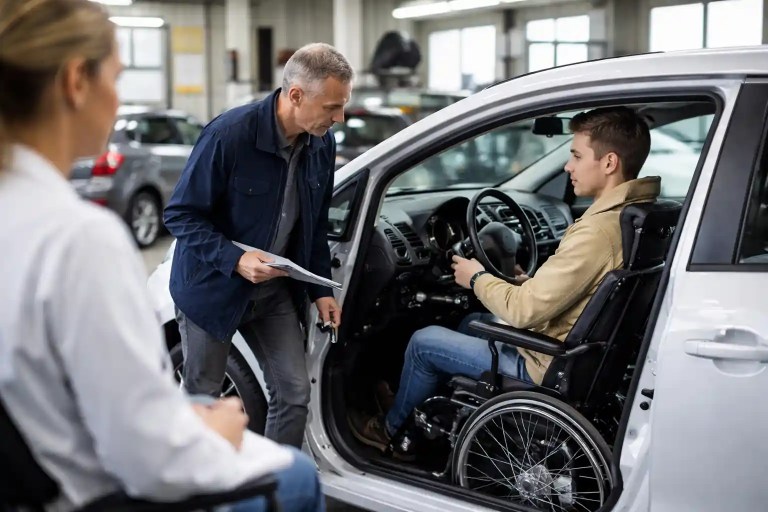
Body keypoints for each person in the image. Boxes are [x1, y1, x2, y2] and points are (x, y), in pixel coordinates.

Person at [0, 1, 322, 511]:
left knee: (278, 396)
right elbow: (149, 459)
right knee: (298, 476)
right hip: (89, 493)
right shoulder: (78, 241)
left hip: (33, 473)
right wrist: (214, 434)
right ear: (76, 81)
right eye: (116, 77)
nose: (118, 97)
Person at [349, 106, 660, 456]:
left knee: (423, 342)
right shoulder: (632, 219)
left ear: (609, 163)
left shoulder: (596, 232)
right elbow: (582, 295)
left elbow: (525, 311)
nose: (567, 166)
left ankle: (392, 433)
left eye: (576, 156)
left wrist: (476, 277)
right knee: (470, 321)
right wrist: (527, 283)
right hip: (580, 358)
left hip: (547, 365)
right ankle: (419, 409)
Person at [164, 42, 351, 449]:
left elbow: (315, 224)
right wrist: (236, 259)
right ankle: (197, 480)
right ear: (296, 95)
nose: (339, 117)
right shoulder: (229, 135)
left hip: (272, 292)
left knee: (294, 394)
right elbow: (180, 215)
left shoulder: (322, 144)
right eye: (332, 107)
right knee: (203, 399)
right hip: (212, 289)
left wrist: (320, 290)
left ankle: (275, 480)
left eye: (342, 106)